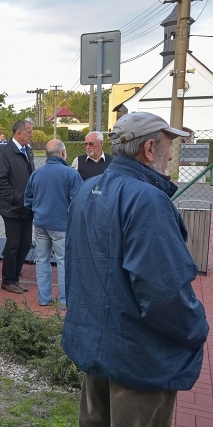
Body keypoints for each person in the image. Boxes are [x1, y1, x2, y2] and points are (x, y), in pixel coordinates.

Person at [62, 112, 209, 427]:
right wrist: (196, 330)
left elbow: (76, 268)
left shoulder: (87, 190)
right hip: (139, 359)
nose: (171, 155)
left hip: (96, 346)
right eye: (169, 146)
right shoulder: (148, 201)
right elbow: (163, 291)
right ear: (151, 148)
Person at [23, 139, 81, 308]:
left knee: (42, 261)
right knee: (64, 262)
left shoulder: (37, 174)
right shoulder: (71, 174)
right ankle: (64, 301)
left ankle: (44, 298)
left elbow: (28, 199)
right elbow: (78, 201)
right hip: (62, 226)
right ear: (63, 153)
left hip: (40, 223)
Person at [0, 120, 34, 294]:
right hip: (12, 208)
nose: (31, 135)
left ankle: (15, 278)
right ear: (19, 133)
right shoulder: (5, 152)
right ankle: (8, 280)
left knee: (25, 244)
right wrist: (18, 198)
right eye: (29, 132)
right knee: (13, 244)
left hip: (27, 207)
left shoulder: (28, 151)